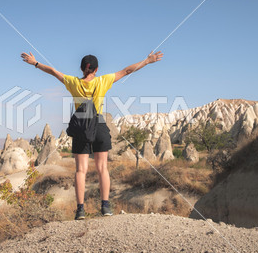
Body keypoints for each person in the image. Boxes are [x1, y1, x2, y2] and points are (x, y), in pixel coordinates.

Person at [21, 51, 163, 219]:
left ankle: (80, 210)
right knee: (102, 168)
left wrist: (35, 63)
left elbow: (53, 71)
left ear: (81, 68)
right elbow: (126, 71)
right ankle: (105, 207)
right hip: (99, 126)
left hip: (81, 126)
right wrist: (147, 60)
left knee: (80, 170)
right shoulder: (103, 81)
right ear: (96, 69)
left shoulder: (73, 82)